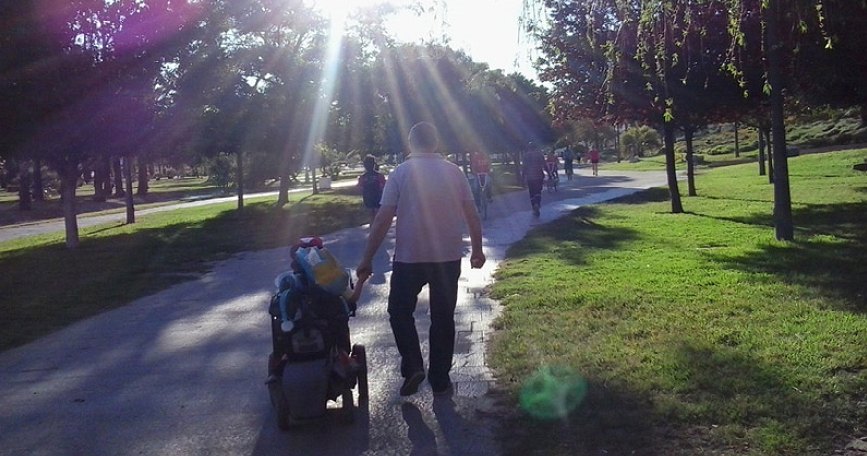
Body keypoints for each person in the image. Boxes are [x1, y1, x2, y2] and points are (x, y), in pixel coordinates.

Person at [356, 121, 485, 397]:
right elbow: (472, 215)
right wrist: (477, 249)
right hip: (448, 257)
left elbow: (382, 219)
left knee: (399, 312)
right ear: (436, 143)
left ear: (411, 144)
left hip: (409, 258)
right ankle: (440, 378)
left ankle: (413, 363)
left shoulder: (400, 173)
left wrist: (367, 258)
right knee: (443, 317)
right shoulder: (454, 172)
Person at [357, 155, 387, 223]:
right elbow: (384, 186)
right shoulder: (379, 175)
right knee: (377, 215)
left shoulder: (363, 177)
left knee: (371, 215)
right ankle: (376, 229)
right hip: (377, 197)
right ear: (374, 165)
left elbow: (359, 188)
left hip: (368, 198)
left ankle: (372, 229)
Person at [522, 145, 546, 217]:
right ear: (535, 148)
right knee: (538, 191)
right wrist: (549, 173)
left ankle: (534, 206)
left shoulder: (525, 156)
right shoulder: (539, 154)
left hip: (530, 177)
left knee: (532, 192)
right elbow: (544, 165)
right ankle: (537, 204)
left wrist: (523, 176)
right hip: (539, 175)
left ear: (529, 148)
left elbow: (524, 167)